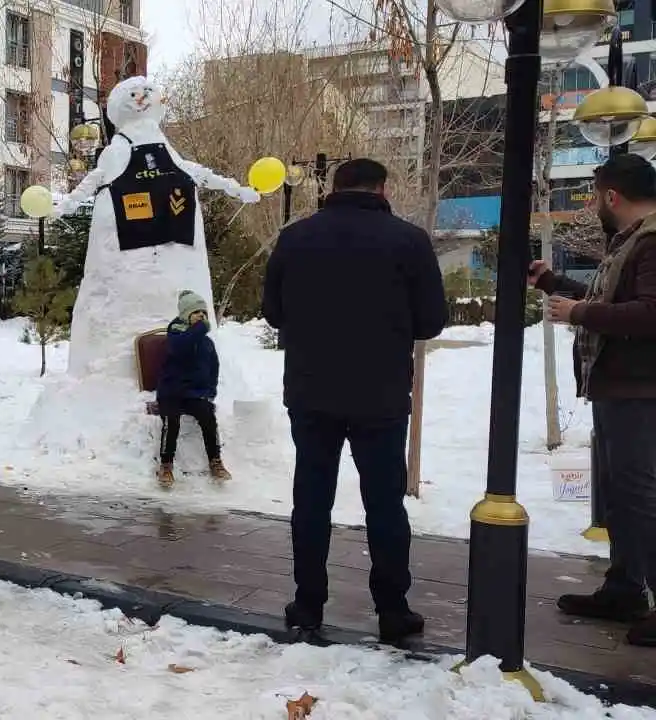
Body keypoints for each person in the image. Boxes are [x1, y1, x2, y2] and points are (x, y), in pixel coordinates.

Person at [261, 158, 447, 645]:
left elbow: (272, 311)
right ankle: (392, 610)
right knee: (385, 503)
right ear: (382, 189)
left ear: (333, 188)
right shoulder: (409, 241)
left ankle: (307, 604)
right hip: (380, 394)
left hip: (310, 390)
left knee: (312, 497)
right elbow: (430, 321)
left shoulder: (296, 237)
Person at [529, 154, 656, 646]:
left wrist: (580, 311)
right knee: (622, 496)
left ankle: (635, 588)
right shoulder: (632, 240)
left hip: (639, 390)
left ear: (611, 196)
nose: (590, 205)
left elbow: (648, 315)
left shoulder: (650, 242)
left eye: (593, 195)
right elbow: (617, 301)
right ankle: (624, 587)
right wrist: (555, 285)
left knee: (640, 495)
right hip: (620, 388)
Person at [156, 290, 228, 489]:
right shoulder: (176, 334)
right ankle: (166, 464)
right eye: (196, 312)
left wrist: (210, 391)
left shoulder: (206, 343)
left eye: (203, 313)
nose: (201, 316)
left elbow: (214, 368)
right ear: (185, 315)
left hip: (193, 393)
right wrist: (198, 330)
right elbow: (181, 348)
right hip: (171, 391)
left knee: (208, 415)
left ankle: (215, 461)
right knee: (172, 421)